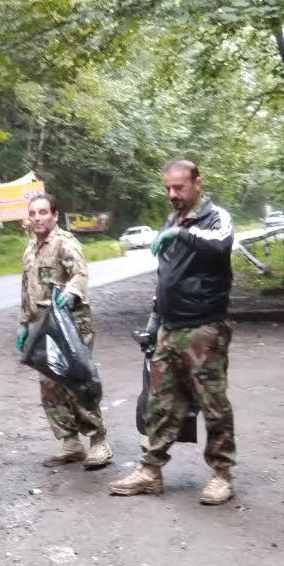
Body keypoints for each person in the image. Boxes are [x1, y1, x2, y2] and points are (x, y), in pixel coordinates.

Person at [109, 159, 237, 505]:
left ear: (198, 183)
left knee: (213, 403)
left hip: (203, 327)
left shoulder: (215, 218)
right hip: (169, 326)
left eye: (179, 187)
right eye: (167, 188)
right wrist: (154, 321)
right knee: (161, 402)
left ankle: (221, 474)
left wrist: (182, 233)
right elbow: (166, 278)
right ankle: (151, 471)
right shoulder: (171, 220)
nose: (172, 194)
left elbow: (221, 245)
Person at [15, 192, 112, 469]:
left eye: (43, 212)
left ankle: (98, 441)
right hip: (44, 327)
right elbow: (26, 289)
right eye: (32, 213)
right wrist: (23, 324)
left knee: (77, 381)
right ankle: (70, 441)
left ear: (54, 215)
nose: (37, 218)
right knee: (49, 386)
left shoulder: (64, 242)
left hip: (71, 325)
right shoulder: (30, 249)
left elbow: (80, 273)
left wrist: (71, 292)